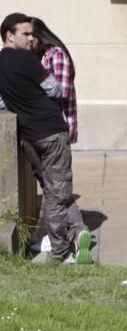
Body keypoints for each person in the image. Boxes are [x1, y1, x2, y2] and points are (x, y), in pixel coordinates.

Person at [0, 13, 92, 264]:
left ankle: (77, 232)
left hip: (28, 136)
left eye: (32, 34)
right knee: (56, 193)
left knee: (53, 189)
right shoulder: (28, 61)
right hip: (51, 131)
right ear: (9, 35)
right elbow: (55, 88)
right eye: (26, 34)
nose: (31, 38)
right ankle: (60, 252)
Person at [31, 17, 78, 144]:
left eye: (30, 36)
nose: (28, 41)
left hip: (59, 125)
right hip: (46, 128)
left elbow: (63, 92)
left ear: (38, 36)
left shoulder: (56, 55)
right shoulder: (41, 56)